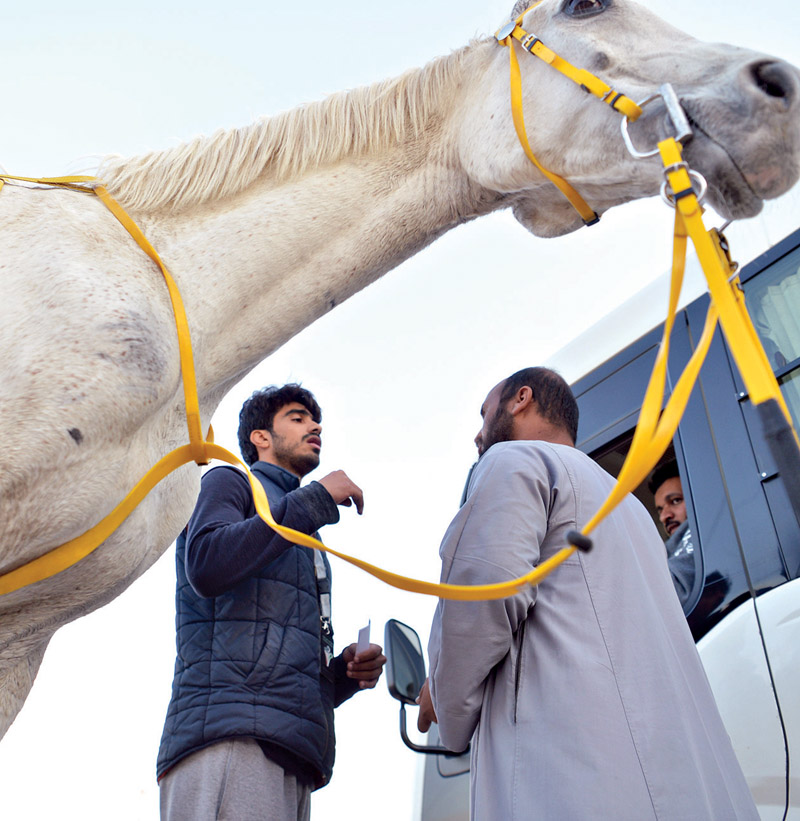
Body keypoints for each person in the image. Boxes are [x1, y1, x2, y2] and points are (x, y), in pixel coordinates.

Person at [418, 367, 757, 820]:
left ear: (521, 399)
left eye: (484, 414)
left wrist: (443, 697)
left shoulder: (511, 461)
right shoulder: (631, 509)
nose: (478, 435)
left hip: (569, 775)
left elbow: (483, 595)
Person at [157, 384, 385, 821]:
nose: (315, 426)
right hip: (229, 741)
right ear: (260, 437)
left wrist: (342, 675)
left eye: (315, 420)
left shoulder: (301, 525)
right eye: (298, 418)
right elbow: (206, 565)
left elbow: (276, 663)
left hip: (291, 756)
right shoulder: (231, 480)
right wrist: (315, 499)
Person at [648, 460, 697, 608]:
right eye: (660, 510)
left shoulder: (701, 535)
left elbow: (671, 595)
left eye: (675, 501)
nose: (664, 516)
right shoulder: (664, 553)